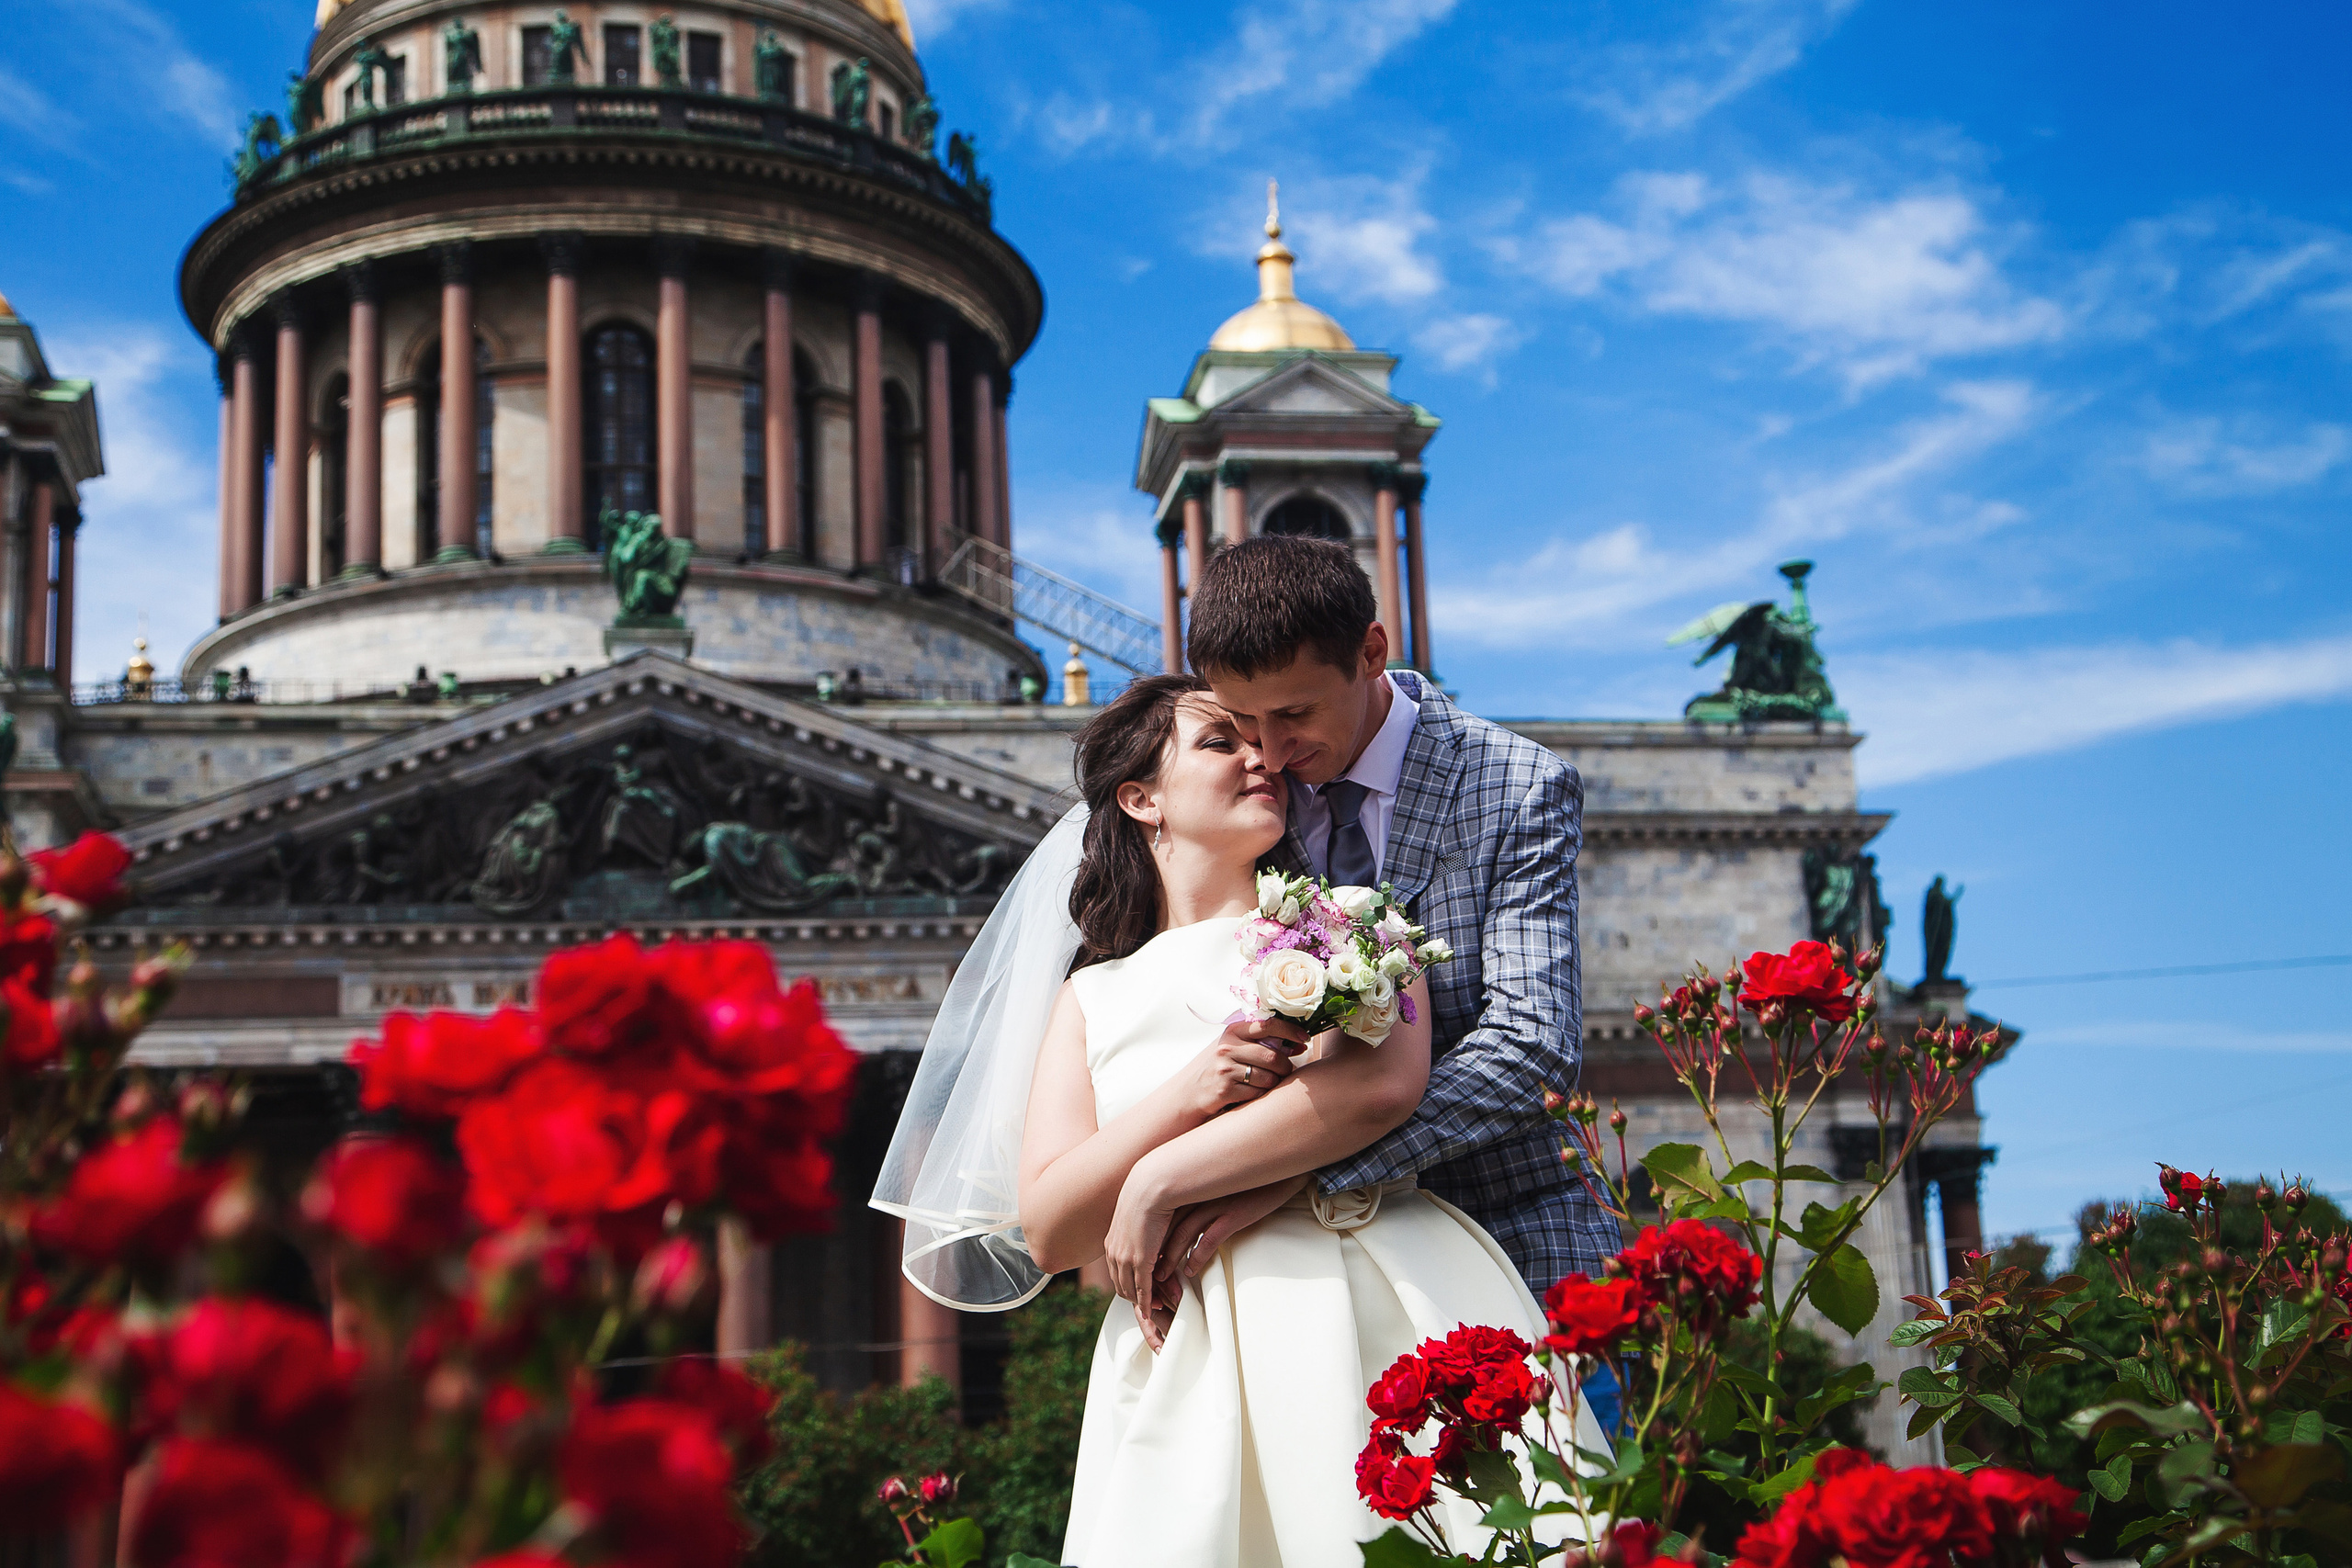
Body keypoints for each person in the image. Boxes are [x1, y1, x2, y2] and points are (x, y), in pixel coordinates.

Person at [874, 671, 1604, 1566]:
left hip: (1386, 1286)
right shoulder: (1088, 999)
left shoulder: (1352, 921)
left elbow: (1378, 1089)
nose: (1261, 758)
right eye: (1222, 742)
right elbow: (1051, 1228)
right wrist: (1190, 1091)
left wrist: (1153, 1179)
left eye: (1262, 741)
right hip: (1192, 1344)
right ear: (1141, 798)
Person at [1180, 535, 1620, 1300]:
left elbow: (1531, 1046)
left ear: (1371, 650)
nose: (1273, 754)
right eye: (1245, 720)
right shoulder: (1245, 796)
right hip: (1293, 1268)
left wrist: (1294, 1170)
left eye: (1295, 713)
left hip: (1509, 1230)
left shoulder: (1517, 783)